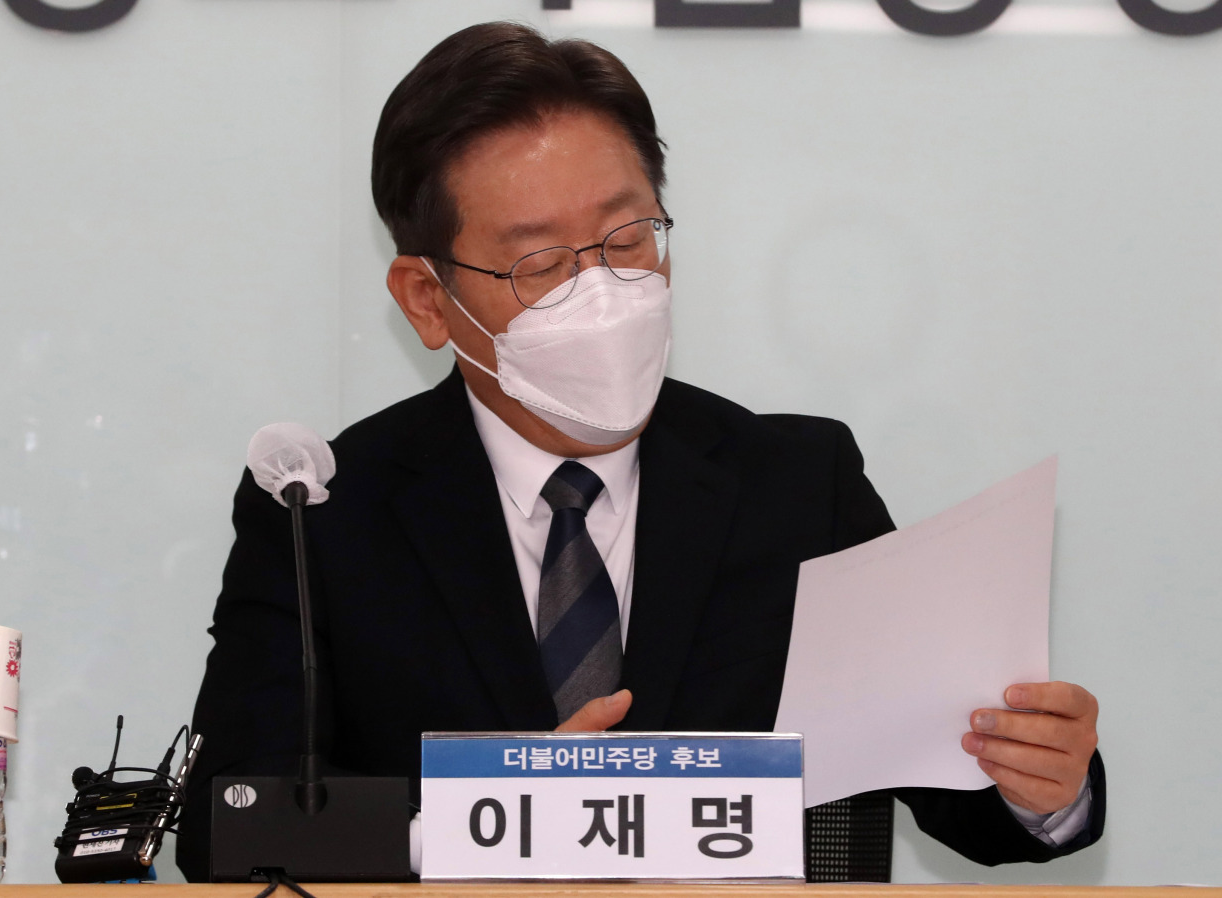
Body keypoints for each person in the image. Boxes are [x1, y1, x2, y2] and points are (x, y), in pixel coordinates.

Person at [177, 21, 1102, 882]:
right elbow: (230, 828)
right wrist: (487, 824)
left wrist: (1043, 784)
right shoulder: (324, 515)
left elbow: (962, 799)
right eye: (539, 263)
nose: (602, 290)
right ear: (426, 299)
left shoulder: (797, 488)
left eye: (628, 238)